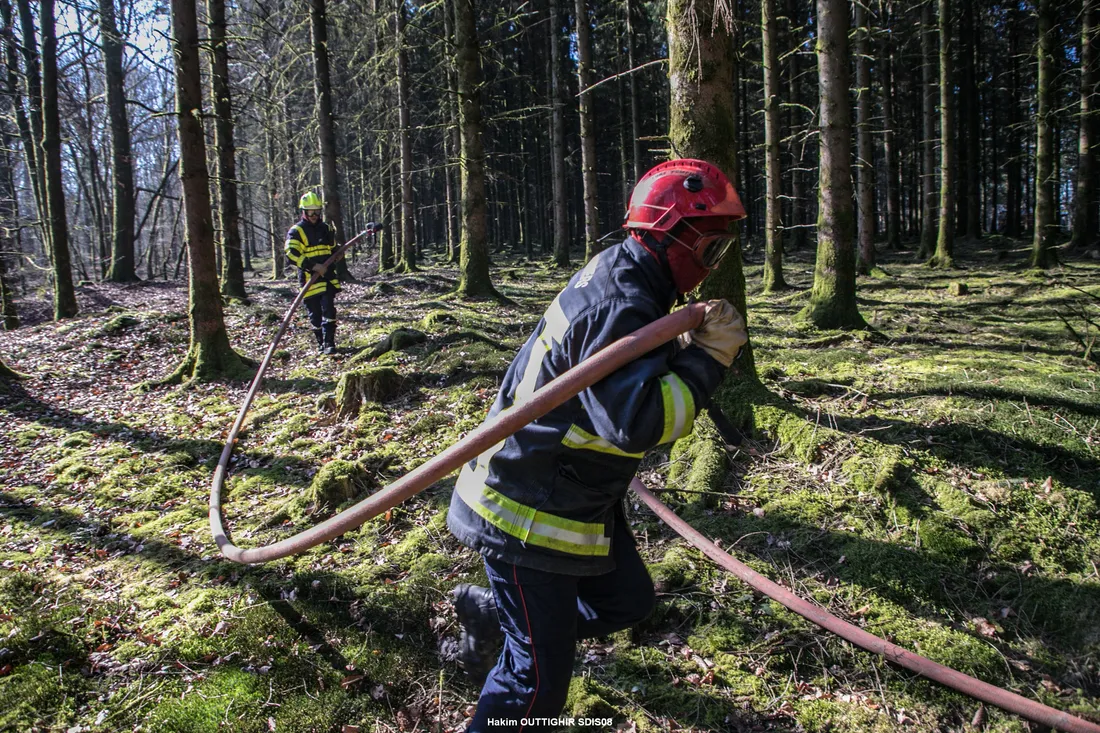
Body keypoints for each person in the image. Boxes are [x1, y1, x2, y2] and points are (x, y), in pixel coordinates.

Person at [446, 159, 749, 730]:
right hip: (526, 509)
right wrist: (709, 358)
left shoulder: (632, 275)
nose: (712, 267)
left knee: (625, 603)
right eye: (710, 250)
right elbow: (639, 423)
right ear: (671, 234)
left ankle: (492, 616)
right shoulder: (624, 303)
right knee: (537, 687)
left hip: (569, 496)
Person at [285, 192, 341, 354]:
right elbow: (291, 253)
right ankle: (320, 343)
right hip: (309, 280)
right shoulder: (297, 231)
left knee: (329, 310)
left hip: (328, 278)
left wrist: (337, 254)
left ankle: (329, 343)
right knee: (315, 315)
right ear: (303, 211)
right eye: (311, 212)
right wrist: (313, 266)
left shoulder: (326, 229)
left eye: (317, 211)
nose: (315, 215)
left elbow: (333, 248)